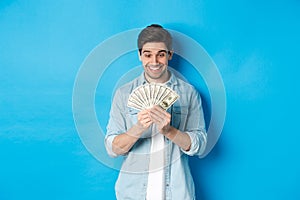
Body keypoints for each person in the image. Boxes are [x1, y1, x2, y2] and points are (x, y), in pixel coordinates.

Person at [105, 24, 207, 200]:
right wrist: (138, 127)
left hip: (177, 193)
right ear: (140, 56)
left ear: (170, 55)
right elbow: (112, 148)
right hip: (132, 193)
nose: (154, 61)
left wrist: (170, 131)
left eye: (161, 54)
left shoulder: (188, 93)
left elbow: (200, 144)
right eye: (148, 55)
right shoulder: (123, 94)